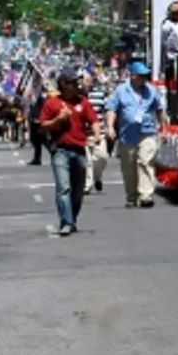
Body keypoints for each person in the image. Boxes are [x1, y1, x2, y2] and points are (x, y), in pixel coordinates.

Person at [39, 68, 100, 237]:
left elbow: (93, 120)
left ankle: (71, 217)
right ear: (64, 85)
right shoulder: (52, 103)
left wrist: (96, 135)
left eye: (77, 82)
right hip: (60, 150)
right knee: (63, 188)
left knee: (78, 191)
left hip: (79, 149)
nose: (76, 85)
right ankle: (66, 222)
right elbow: (42, 126)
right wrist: (59, 119)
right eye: (73, 83)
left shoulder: (83, 102)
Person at [104, 61, 167, 209]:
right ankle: (131, 196)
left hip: (147, 132)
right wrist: (110, 127)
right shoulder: (121, 91)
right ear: (133, 76)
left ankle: (146, 195)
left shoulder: (152, 91)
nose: (144, 78)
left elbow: (159, 110)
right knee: (129, 167)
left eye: (145, 76)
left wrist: (163, 129)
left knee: (146, 161)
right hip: (127, 134)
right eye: (141, 76)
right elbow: (111, 109)